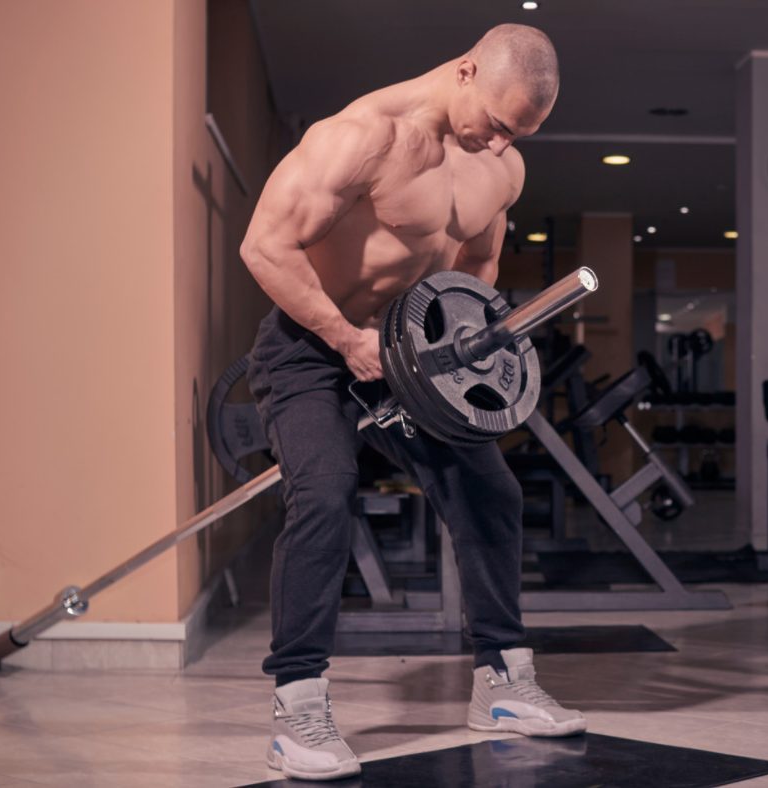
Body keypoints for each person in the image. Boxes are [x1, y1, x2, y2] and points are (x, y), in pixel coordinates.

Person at [240, 23, 585, 782]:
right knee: (325, 494)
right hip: (310, 344)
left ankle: (501, 681)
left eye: (519, 134)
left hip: (409, 354)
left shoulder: (501, 168)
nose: (501, 145)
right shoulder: (360, 138)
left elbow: (480, 263)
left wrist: (461, 348)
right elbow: (265, 247)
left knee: (490, 491)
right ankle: (298, 705)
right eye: (498, 123)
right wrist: (342, 336)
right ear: (465, 72)